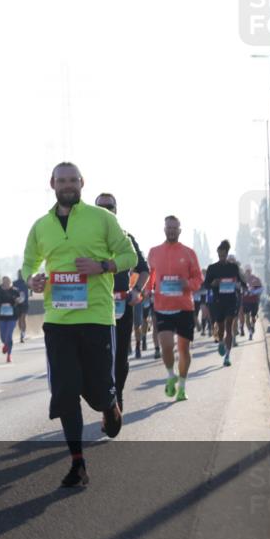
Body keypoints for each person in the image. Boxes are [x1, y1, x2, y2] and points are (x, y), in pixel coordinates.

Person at [22, 162, 136, 487]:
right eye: (62, 180)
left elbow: (128, 257)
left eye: (73, 179)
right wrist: (32, 279)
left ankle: (109, 405)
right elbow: (28, 264)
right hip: (58, 321)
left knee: (98, 391)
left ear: (82, 183)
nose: (67, 185)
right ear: (52, 183)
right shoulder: (41, 226)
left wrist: (102, 265)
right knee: (66, 391)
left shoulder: (103, 219)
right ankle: (78, 463)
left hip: (97, 318)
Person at [94, 193, 149, 411]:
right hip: (94, 306)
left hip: (120, 305)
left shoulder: (126, 238)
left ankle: (116, 398)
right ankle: (105, 397)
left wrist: (136, 291)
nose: (106, 210)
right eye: (101, 207)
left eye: (110, 206)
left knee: (119, 358)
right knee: (96, 357)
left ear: (116, 210)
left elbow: (144, 270)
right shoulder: (87, 240)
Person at [146, 216, 203, 401]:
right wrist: (147, 291)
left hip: (184, 307)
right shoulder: (154, 252)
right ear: (164, 229)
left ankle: (183, 387)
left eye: (175, 228)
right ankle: (171, 375)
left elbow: (198, 279)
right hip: (162, 307)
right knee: (167, 347)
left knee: (184, 349)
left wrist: (187, 283)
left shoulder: (189, 253)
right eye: (169, 227)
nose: (171, 231)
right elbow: (151, 276)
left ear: (180, 230)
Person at [203, 241, 247, 367]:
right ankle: (221, 341)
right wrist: (212, 284)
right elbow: (205, 284)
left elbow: (242, 281)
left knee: (229, 327)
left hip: (231, 301)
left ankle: (227, 356)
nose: (221, 258)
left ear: (227, 254)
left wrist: (242, 285)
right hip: (218, 302)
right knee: (221, 328)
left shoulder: (233, 267)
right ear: (217, 254)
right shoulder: (212, 268)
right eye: (220, 255)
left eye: (223, 255)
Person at [0, 276, 20, 363]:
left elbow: (19, 301)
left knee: (9, 335)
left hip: (12, 316)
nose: (6, 283)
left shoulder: (15, 291)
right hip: (1, 316)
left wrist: (16, 301)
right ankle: (5, 345)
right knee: (3, 337)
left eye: (7, 282)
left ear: (10, 282)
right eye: (4, 282)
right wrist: (0, 297)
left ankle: (9, 355)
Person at [242, 266, 264, 339]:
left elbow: (261, 289)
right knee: (247, 318)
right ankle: (250, 331)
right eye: (246, 271)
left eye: (249, 271)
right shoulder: (242, 279)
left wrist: (253, 292)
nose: (247, 272)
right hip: (245, 301)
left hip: (254, 301)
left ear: (251, 271)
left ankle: (252, 326)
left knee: (253, 317)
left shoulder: (256, 279)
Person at [13, 270, 31, 343]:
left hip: (25, 304)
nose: (20, 275)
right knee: (20, 320)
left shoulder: (26, 283)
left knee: (22, 318)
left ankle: (22, 335)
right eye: (19, 273)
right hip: (18, 304)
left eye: (21, 274)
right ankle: (22, 333)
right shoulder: (14, 283)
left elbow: (31, 291)